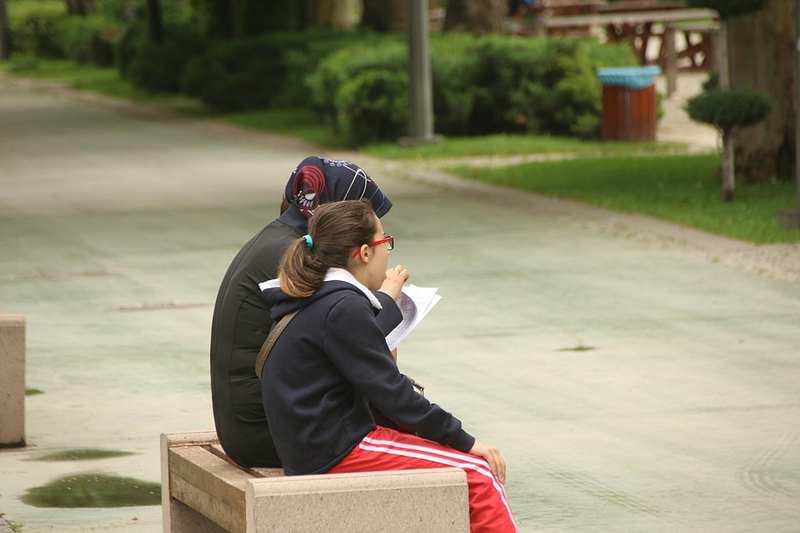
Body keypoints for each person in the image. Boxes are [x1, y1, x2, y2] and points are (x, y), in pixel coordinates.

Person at [259, 200, 517, 533]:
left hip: (314, 447)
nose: (388, 251)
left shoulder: (316, 295)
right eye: (385, 241)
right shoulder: (342, 306)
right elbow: (393, 394)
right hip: (336, 450)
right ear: (365, 253)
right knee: (479, 473)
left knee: (446, 459)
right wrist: (465, 441)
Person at [210, 156, 408, 468]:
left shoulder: (285, 242)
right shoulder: (297, 258)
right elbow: (357, 342)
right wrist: (385, 300)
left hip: (259, 424)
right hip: (269, 433)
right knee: (411, 425)